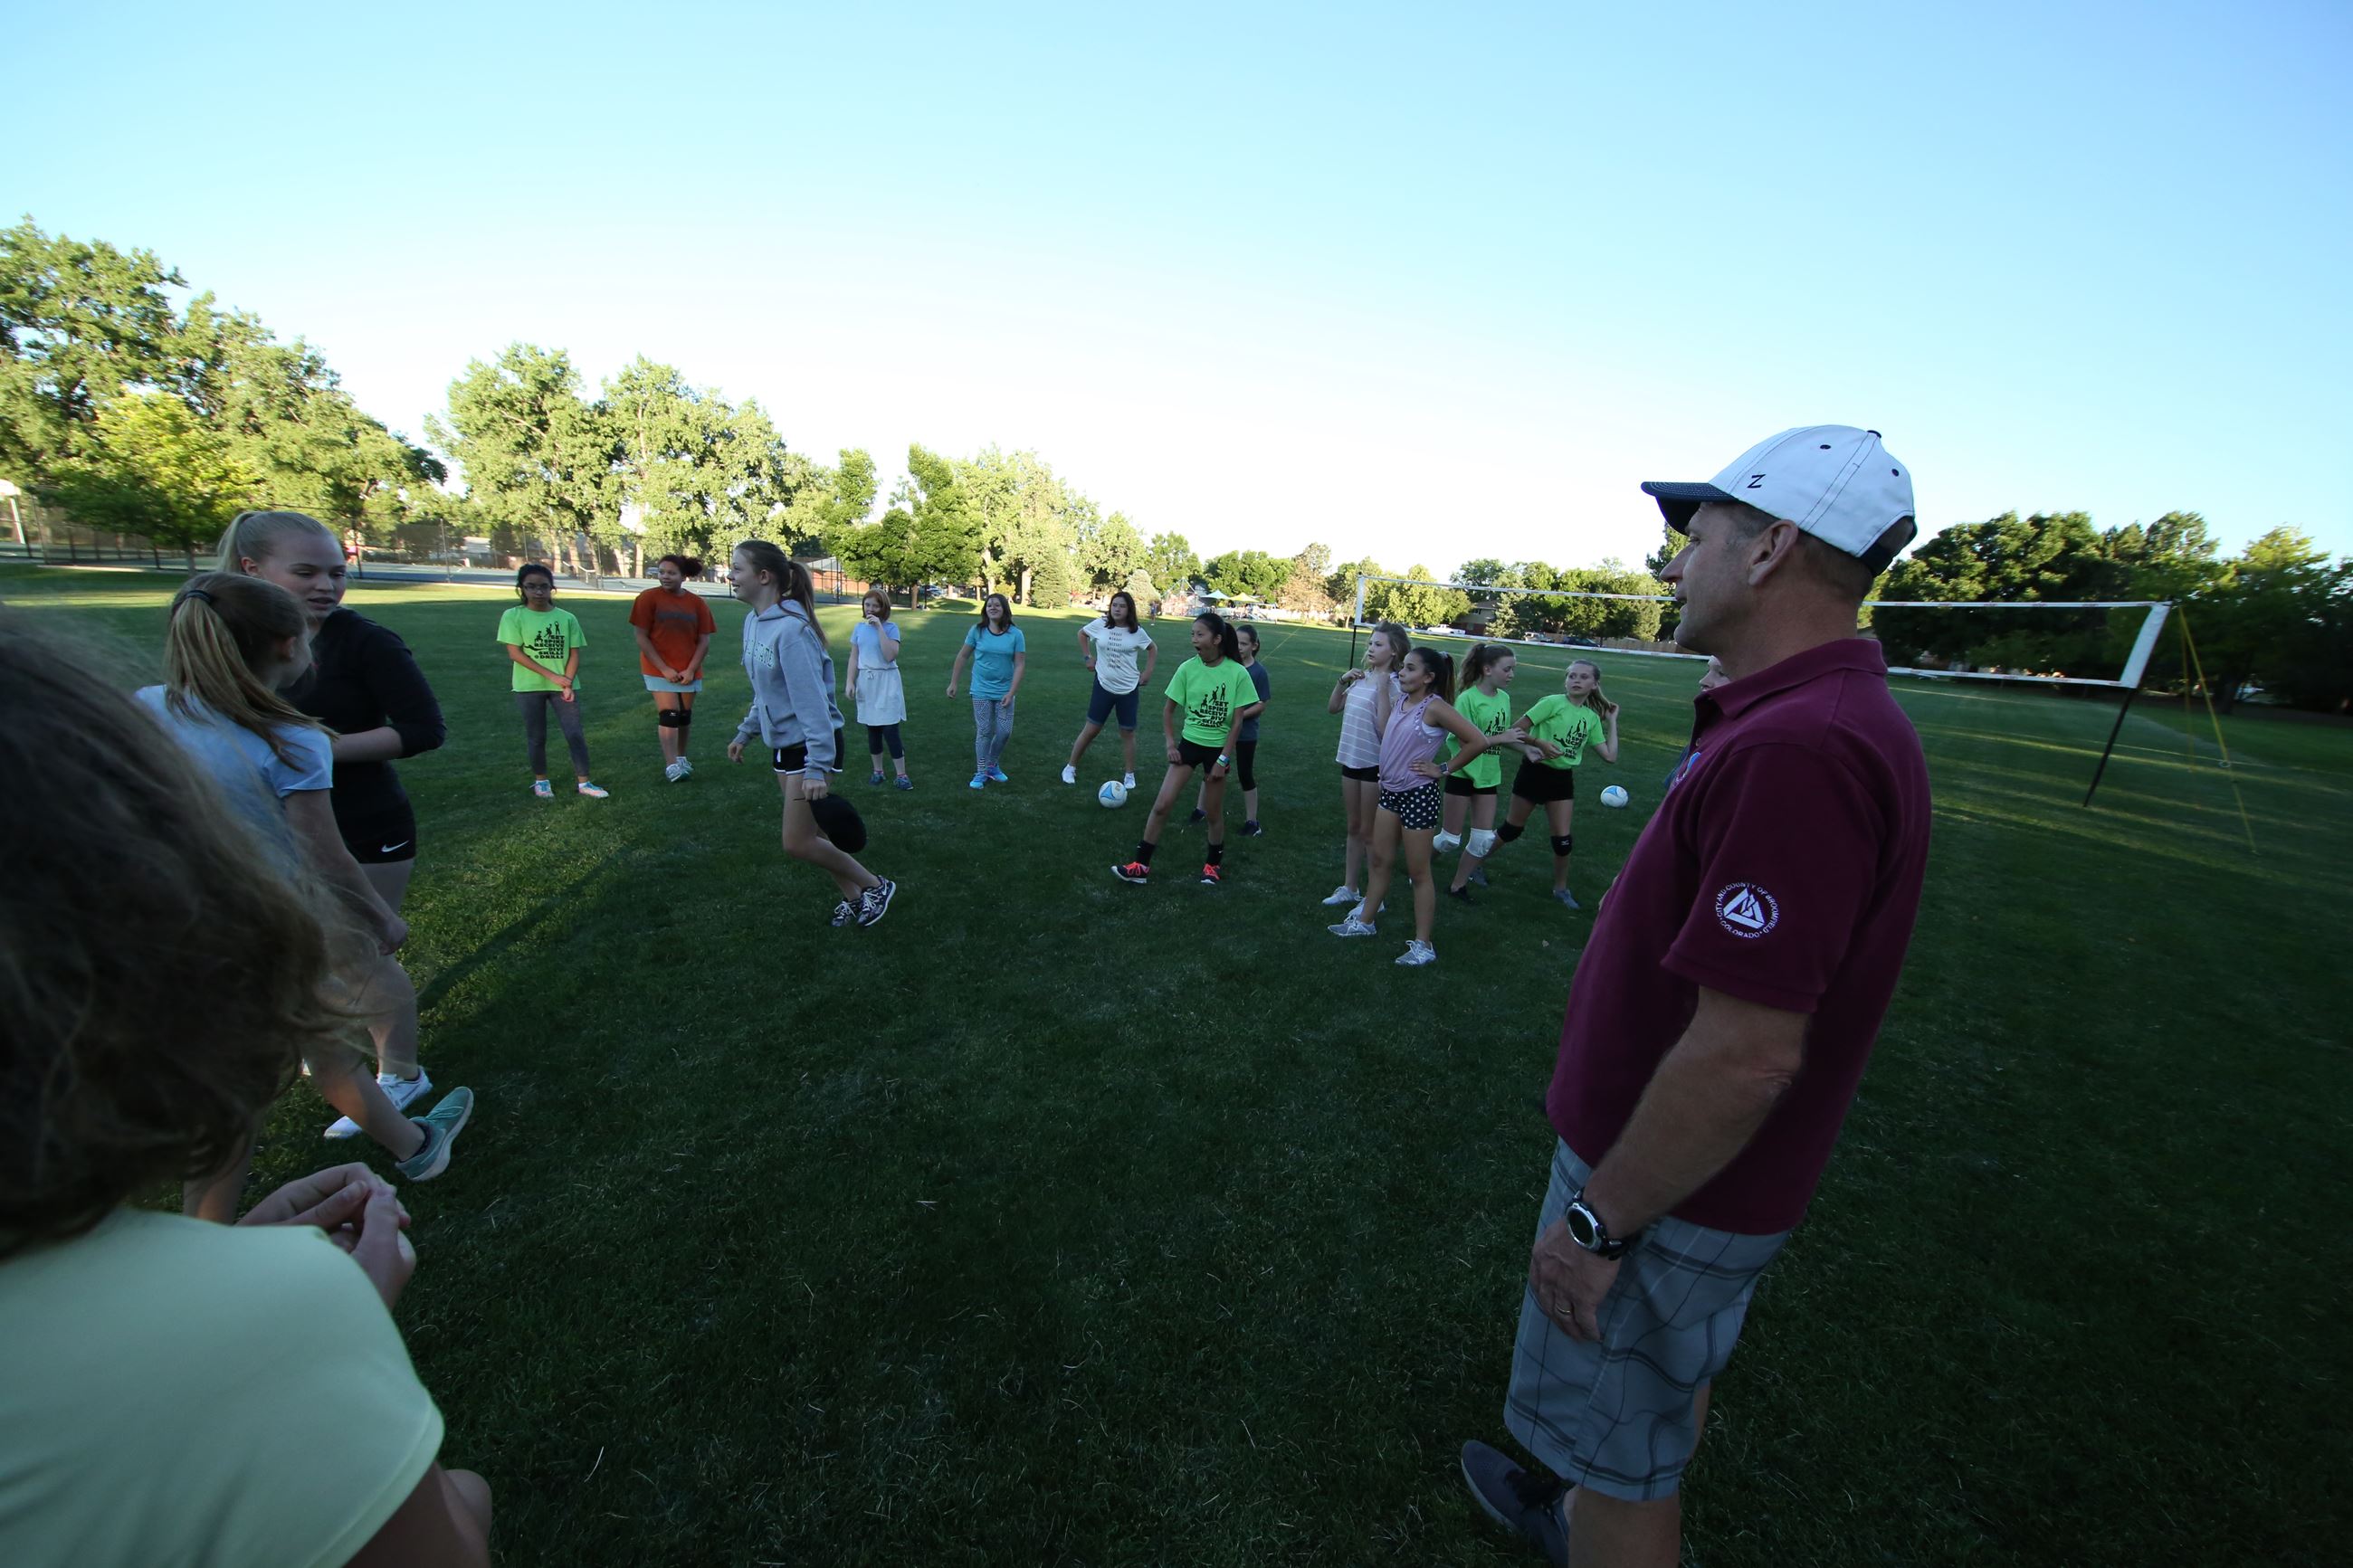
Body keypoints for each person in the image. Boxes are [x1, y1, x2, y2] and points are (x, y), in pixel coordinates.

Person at [1459, 426, 1930, 1568]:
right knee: (1651, 1408)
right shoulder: (1791, 719)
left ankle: (1595, 1522)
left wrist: (1594, 1221)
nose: (1670, 563)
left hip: (1664, 1183)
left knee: (1626, 1472)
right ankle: (1576, 1505)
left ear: (1768, 547)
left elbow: (1744, 1055)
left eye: (1695, 534)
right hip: (1683, 1177)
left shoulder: (1800, 749)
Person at [0, 614, 494, 1566]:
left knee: (320, 1059)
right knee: (471, 1486)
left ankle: (388, 1150)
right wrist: (292, 1322)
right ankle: (407, 1143)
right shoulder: (278, 1313)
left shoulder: (160, 709)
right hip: (248, 1315)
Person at [137, 575, 475, 1218]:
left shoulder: (149, 707)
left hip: (177, 919)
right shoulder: (290, 739)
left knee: (321, 1042)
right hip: (260, 926)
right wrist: (380, 917)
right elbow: (324, 851)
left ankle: (416, 1145)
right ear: (290, 646)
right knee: (247, 1084)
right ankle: (204, 1238)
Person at [219, 508, 446, 1140]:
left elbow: (424, 728)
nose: (326, 585)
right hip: (263, 824)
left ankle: (401, 1071)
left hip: (364, 822)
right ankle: (327, 1048)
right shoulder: (228, 642)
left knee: (357, 951)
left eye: (337, 572)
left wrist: (307, 751)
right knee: (294, 947)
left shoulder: (365, 641)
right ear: (251, 569)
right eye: (306, 572)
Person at [726, 540, 898, 928]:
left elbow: (813, 705)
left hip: (812, 744)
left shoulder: (791, 632)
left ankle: (875, 886)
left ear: (763, 577)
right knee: (814, 832)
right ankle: (854, 899)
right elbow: (766, 690)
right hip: (784, 744)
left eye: (737, 569)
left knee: (797, 842)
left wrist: (818, 766)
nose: (730, 576)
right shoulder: (754, 622)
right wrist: (747, 732)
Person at [1325, 645, 1495, 965]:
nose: (1402, 673)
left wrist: (1443, 769)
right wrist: (1381, 690)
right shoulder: (1402, 699)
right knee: (1379, 860)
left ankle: (1423, 946)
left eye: (1410, 669)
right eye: (1402, 668)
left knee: (1418, 872)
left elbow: (1478, 741)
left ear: (1429, 677)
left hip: (1418, 795)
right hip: (1390, 792)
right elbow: (1384, 726)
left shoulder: (1436, 708)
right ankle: (1365, 923)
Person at [1110, 611, 1264, 888]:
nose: (1194, 639)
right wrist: (1171, 744)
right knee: (1161, 805)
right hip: (1188, 746)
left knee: (1213, 814)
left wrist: (1223, 759)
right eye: (1192, 634)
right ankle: (1141, 866)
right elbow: (1168, 711)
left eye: (1200, 634)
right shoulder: (1187, 668)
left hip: (1218, 750)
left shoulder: (1237, 672)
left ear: (1217, 639)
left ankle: (1212, 866)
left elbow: (1238, 722)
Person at [1489, 660, 1621, 909]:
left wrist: (1612, 721)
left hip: (1562, 780)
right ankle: (1473, 865)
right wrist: (1539, 743)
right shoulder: (1552, 703)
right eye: (1571, 676)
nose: (1576, 681)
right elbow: (1515, 730)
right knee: (1511, 830)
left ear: (1594, 684)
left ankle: (1561, 889)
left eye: (1583, 677)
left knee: (1563, 841)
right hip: (1534, 772)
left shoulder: (1591, 718)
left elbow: (1610, 756)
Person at [1320, 620, 1408, 915]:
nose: (1371, 648)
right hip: (1351, 759)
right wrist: (1341, 681)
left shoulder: (1396, 685)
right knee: (1354, 827)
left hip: (1374, 765)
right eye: (1370, 643)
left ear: (1394, 652)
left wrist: (1383, 688)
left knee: (1371, 832)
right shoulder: (1360, 678)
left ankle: (1375, 897)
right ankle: (1349, 888)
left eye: (1378, 644)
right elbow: (1333, 708)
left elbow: (1386, 729)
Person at [498, 563, 607, 799]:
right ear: (522, 588)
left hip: (563, 687)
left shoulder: (566, 618)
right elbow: (515, 653)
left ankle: (585, 782)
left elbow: (574, 652)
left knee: (574, 733)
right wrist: (553, 676)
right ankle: (541, 781)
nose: (538, 592)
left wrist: (566, 682)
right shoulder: (513, 616)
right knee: (537, 736)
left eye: (544, 587)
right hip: (529, 687)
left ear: (552, 588)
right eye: (531, 587)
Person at [1435, 642, 1518, 902]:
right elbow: (1465, 742)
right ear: (1487, 669)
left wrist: (1531, 750)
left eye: (1513, 669)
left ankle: (1458, 886)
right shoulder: (1467, 699)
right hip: (1462, 773)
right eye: (1507, 669)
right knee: (1449, 840)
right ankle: (1420, 866)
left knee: (1482, 840)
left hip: (1488, 776)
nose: (1511, 675)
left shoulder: (1504, 698)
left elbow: (1504, 736)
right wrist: (1502, 737)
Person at [627, 554, 717, 783]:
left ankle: (681, 756)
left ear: (683, 576)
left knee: (684, 716)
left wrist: (690, 669)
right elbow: (641, 637)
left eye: (671, 573)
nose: (665, 577)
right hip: (659, 669)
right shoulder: (648, 598)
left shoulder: (697, 603)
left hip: (689, 669)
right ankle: (671, 766)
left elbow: (704, 641)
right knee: (670, 715)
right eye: (661, 572)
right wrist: (664, 668)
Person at [1061, 590, 1157, 790]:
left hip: (1129, 688)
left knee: (1127, 732)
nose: (1118, 609)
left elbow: (1152, 648)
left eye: (1122, 606)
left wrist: (1147, 672)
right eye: (1115, 605)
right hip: (1103, 685)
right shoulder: (1101, 624)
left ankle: (1129, 775)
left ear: (1129, 609)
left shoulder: (1136, 631)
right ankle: (1070, 767)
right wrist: (1087, 657)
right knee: (1092, 729)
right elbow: (1082, 634)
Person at [1188, 622, 1271, 834]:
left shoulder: (1258, 672)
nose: (1240, 647)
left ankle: (1252, 821)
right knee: (1211, 771)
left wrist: (1239, 715)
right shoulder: (1226, 666)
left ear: (1254, 646)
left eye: (1245, 643)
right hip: (1220, 733)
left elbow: (1261, 703)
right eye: (1238, 643)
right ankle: (1200, 808)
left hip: (1245, 734)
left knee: (1245, 774)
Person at [946, 592, 1026, 789]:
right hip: (980, 689)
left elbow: (1019, 665)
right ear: (985, 609)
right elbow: (963, 656)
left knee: (1004, 732)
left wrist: (1011, 692)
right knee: (984, 731)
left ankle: (992, 764)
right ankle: (981, 771)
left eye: (997, 605)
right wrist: (954, 682)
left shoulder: (1016, 634)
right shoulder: (977, 631)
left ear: (1004, 609)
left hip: (1004, 691)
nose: (992, 608)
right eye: (989, 605)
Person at [847, 588, 913, 789]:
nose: (871, 609)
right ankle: (878, 772)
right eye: (868, 605)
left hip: (886, 682)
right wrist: (850, 681)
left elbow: (890, 655)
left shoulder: (891, 628)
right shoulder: (858, 628)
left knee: (890, 729)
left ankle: (901, 775)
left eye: (875, 605)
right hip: (866, 682)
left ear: (883, 607)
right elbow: (854, 657)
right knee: (872, 729)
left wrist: (879, 629)